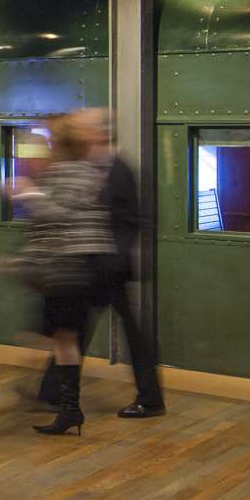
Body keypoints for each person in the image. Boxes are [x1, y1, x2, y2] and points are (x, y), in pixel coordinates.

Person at [9, 114, 111, 437]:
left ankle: (69, 408)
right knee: (64, 339)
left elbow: (60, 215)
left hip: (70, 269)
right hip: (70, 269)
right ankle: (69, 409)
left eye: (52, 140)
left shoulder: (73, 173)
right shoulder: (80, 171)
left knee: (60, 337)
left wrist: (26, 193)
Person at [78, 107, 165, 419]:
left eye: (85, 129)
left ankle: (151, 399)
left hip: (110, 267)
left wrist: (114, 257)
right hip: (97, 263)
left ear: (99, 132)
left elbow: (132, 221)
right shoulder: (92, 165)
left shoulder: (120, 169)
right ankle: (52, 390)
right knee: (76, 328)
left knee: (84, 329)